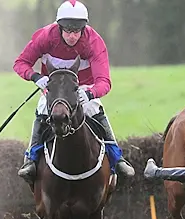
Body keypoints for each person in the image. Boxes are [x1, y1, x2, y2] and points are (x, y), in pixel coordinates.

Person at [13, 0, 135, 183]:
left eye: (76, 31)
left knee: (94, 108)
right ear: (59, 27)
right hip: (54, 90)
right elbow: (20, 63)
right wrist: (36, 77)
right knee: (42, 109)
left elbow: (104, 81)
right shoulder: (45, 37)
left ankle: (117, 159)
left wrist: (91, 94)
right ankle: (31, 160)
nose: (72, 36)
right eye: (68, 30)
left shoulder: (94, 42)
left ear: (84, 28)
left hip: (82, 88)